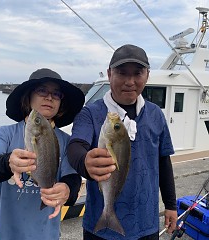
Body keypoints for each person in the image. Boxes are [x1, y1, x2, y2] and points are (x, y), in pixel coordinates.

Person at [67, 44, 178, 240]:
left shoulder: (155, 114)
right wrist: (85, 162)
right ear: (110, 74)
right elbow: (75, 146)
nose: (130, 81)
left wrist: (171, 205)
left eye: (138, 73)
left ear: (147, 75)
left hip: (147, 223)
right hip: (99, 226)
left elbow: (163, 162)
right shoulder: (90, 113)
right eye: (121, 73)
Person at [0, 68, 85, 240]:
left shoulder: (67, 141)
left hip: (46, 234)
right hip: (4, 234)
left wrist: (66, 190)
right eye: (42, 90)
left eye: (56, 94)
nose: (49, 97)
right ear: (28, 97)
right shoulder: (4, 134)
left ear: (60, 103)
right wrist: (8, 162)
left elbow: (72, 179)